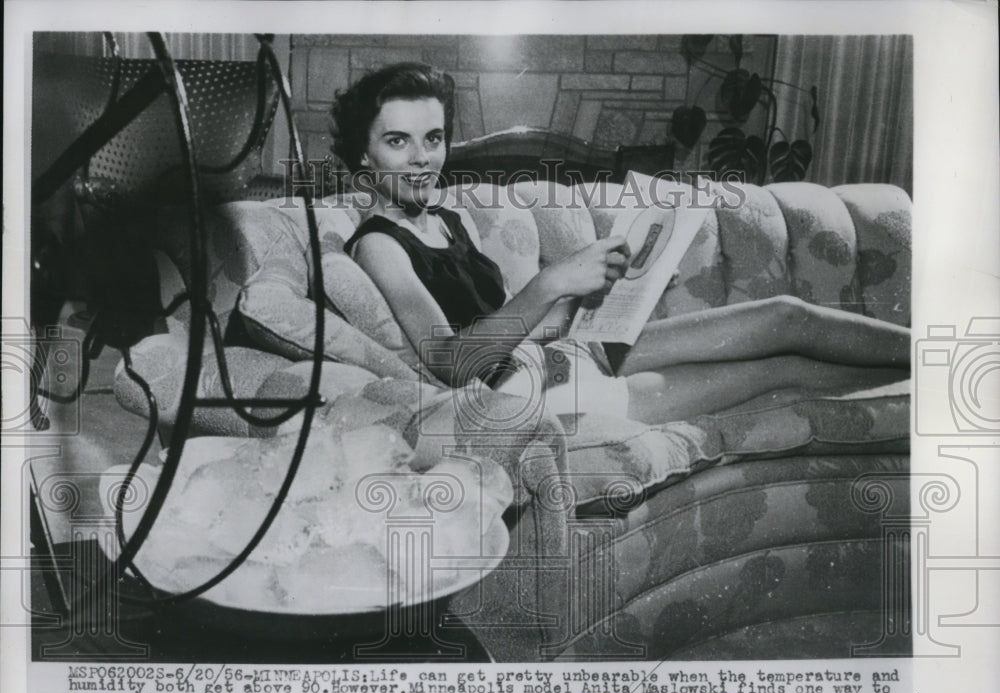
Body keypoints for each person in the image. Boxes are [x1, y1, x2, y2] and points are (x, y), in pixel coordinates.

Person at [332, 63, 909, 425]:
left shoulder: (445, 220)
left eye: (433, 138)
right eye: (398, 141)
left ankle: (943, 362)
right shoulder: (377, 246)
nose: (422, 158)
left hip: (560, 355)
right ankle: (927, 394)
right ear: (364, 153)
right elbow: (453, 362)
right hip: (533, 397)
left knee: (785, 316)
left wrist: (581, 296)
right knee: (774, 374)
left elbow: (502, 322)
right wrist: (551, 282)